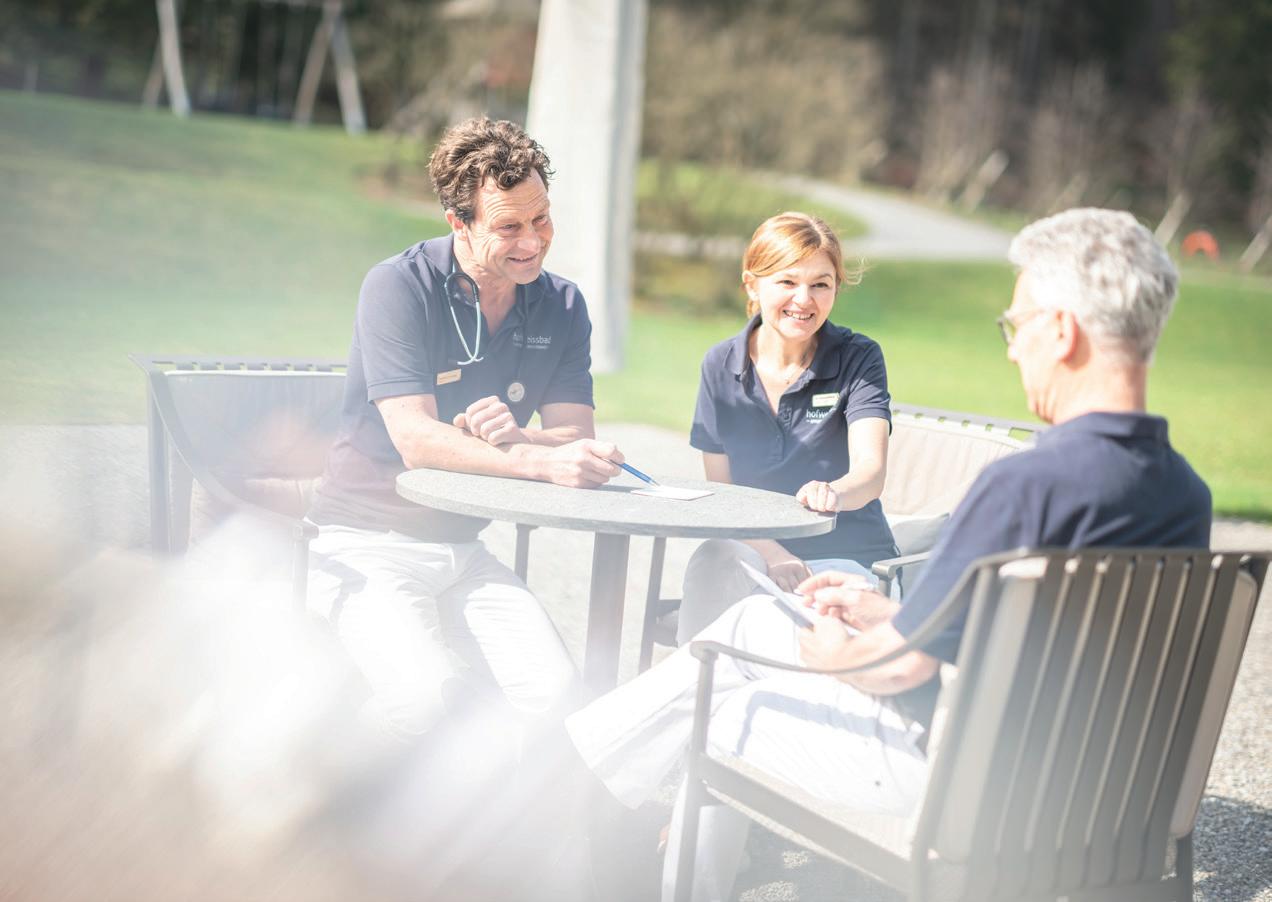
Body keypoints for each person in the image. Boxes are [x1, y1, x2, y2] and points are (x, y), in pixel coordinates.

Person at [565, 208, 1212, 902]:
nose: (1012, 350)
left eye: (1016, 324)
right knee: (751, 625)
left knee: (717, 704)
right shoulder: (1184, 494)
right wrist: (878, 612)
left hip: (956, 774)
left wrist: (832, 653)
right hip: (1086, 782)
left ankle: (571, 805)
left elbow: (900, 667)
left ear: (1061, 331)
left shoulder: (1024, 488)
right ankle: (577, 781)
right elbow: (998, 630)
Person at [306, 117, 624, 740]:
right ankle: (331, 783)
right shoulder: (398, 286)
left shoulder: (562, 305)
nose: (533, 241)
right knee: (426, 702)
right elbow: (416, 439)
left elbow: (574, 437)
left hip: (464, 550)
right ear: (459, 222)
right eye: (508, 227)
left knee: (559, 700)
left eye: (542, 219)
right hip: (363, 542)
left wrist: (521, 437)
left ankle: (494, 802)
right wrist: (538, 460)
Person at [677, 212, 898, 643]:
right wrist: (772, 552)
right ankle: (696, 676)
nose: (804, 299)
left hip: (847, 558)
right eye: (787, 281)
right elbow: (723, 494)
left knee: (788, 635)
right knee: (714, 557)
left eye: (821, 284)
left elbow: (870, 473)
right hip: (756, 552)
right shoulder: (719, 364)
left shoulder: (859, 358)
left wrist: (834, 493)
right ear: (752, 284)